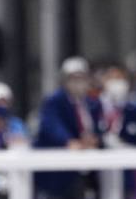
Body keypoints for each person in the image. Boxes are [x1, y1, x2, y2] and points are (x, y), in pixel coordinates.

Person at [34, 57, 103, 199]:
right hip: (55, 173)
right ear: (64, 80)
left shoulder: (92, 103)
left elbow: (99, 127)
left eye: (81, 77)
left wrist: (95, 139)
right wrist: (69, 141)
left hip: (84, 171)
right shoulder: (54, 100)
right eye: (73, 78)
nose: (78, 82)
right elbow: (51, 124)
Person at [99, 64, 136, 197]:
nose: (116, 82)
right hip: (99, 173)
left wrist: (124, 140)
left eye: (120, 78)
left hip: (126, 173)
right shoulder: (94, 107)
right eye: (112, 78)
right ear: (105, 81)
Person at [0, 82, 28, 199]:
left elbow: (24, 145)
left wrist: (12, 138)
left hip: (14, 177)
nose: (0, 106)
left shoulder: (17, 124)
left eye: (4, 102)